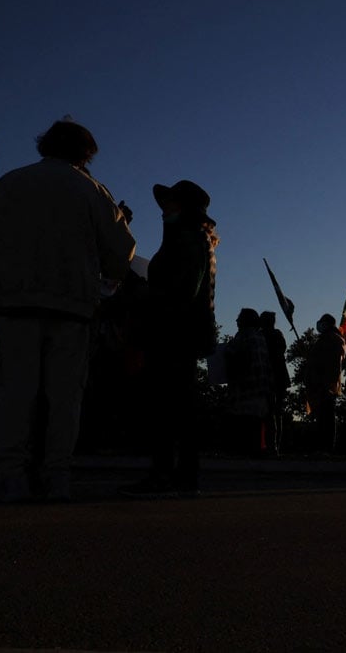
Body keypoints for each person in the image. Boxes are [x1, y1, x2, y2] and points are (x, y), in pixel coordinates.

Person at [0, 121, 135, 501]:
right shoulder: (92, 191)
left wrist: (2, 273)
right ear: (86, 153)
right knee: (64, 397)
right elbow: (120, 253)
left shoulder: (10, 184)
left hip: (15, 305)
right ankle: (56, 476)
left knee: (14, 393)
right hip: (71, 308)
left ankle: (11, 477)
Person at [121, 180, 217, 497]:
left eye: (170, 204)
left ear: (183, 207)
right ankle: (178, 474)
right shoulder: (189, 236)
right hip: (178, 330)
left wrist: (143, 291)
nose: (164, 211)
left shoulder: (189, 238)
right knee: (175, 405)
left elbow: (183, 289)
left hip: (174, 331)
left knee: (170, 405)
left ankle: (172, 474)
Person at [225, 308, 271, 456]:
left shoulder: (243, 337)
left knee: (242, 423)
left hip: (245, 388)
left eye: (239, 318)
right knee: (256, 423)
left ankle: (242, 452)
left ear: (244, 321)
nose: (236, 321)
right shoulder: (260, 337)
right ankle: (256, 452)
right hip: (260, 387)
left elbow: (231, 355)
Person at [305, 313, 346, 454]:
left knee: (325, 418)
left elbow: (324, 362)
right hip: (326, 384)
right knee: (324, 417)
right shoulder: (333, 339)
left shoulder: (331, 339)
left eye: (322, 322)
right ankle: (325, 447)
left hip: (325, 385)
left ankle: (326, 447)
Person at [261, 310, 291, 455]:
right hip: (280, 378)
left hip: (269, 377)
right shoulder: (278, 335)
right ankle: (274, 446)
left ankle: (270, 446)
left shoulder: (264, 336)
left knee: (268, 414)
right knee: (276, 414)